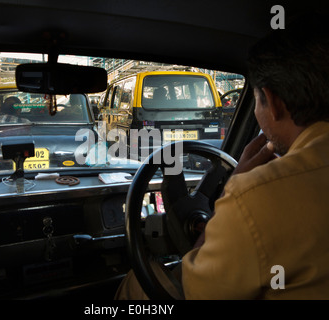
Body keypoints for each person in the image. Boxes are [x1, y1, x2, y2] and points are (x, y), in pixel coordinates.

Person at [116, 12, 329, 299]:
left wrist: (234, 190)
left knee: (139, 284)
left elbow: (196, 291)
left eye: (254, 101)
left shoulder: (256, 196)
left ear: (274, 102)